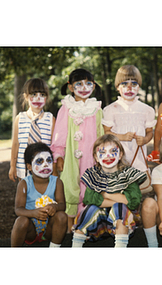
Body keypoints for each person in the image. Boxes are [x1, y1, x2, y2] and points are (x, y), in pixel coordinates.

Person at [50, 69, 104, 232]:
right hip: (71, 158)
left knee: (89, 187)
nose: (84, 87)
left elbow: (101, 134)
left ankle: (86, 226)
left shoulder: (97, 109)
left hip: (91, 157)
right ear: (71, 87)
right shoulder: (67, 108)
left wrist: (101, 157)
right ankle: (68, 228)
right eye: (79, 84)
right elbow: (60, 132)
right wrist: (59, 155)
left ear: (93, 87)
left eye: (88, 83)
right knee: (70, 187)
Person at [72, 134, 147, 247]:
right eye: (102, 152)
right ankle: (75, 247)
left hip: (125, 219)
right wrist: (120, 198)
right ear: (96, 157)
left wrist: (105, 194)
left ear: (120, 154)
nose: (107, 156)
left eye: (113, 151)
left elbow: (132, 201)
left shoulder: (129, 174)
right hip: (99, 221)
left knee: (120, 208)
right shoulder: (93, 174)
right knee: (89, 210)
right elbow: (90, 199)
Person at [11, 142, 68, 247]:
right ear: (29, 167)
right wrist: (33, 213)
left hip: (49, 229)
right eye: (39, 161)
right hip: (31, 229)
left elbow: (62, 206)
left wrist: (54, 207)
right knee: (21, 221)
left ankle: (54, 248)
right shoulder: (24, 184)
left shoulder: (57, 182)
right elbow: (18, 210)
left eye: (49, 160)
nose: (45, 164)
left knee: (62, 216)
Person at [102, 65, 156, 172]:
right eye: (124, 84)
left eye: (134, 84)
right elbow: (107, 132)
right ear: (117, 87)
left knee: (138, 182)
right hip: (118, 155)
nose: (129, 87)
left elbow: (150, 132)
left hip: (138, 154)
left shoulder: (147, 110)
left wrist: (145, 139)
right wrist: (121, 136)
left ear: (139, 86)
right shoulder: (111, 109)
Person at [9, 78, 55, 182]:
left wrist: (55, 169)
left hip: (45, 168)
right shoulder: (20, 118)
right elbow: (16, 144)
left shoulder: (50, 119)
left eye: (42, 95)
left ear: (47, 97)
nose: (38, 98)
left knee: (44, 196)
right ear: (26, 96)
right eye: (33, 95)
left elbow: (53, 147)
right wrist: (12, 166)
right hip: (23, 168)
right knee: (26, 195)